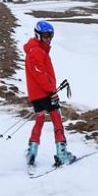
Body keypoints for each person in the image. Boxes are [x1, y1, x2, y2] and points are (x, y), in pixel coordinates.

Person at [24, 20, 75, 167]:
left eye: (50, 35)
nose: (48, 39)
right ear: (38, 34)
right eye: (46, 35)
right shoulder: (36, 51)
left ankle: (32, 152)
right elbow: (41, 75)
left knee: (39, 119)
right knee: (57, 120)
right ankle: (62, 154)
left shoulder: (34, 50)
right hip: (45, 94)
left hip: (36, 95)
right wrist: (51, 90)